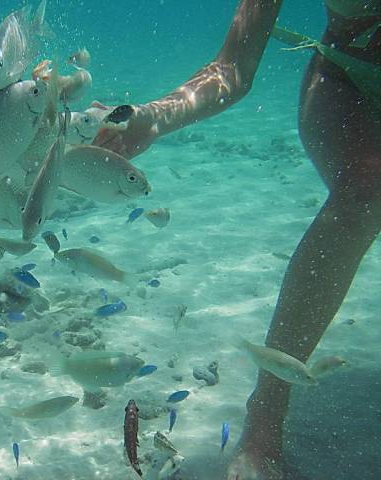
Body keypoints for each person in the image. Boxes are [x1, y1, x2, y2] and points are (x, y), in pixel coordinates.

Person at [94, 1, 381, 479]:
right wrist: (151, 119)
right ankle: (266, 416)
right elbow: (233, 69)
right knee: (365, 195)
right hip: (350, 80)